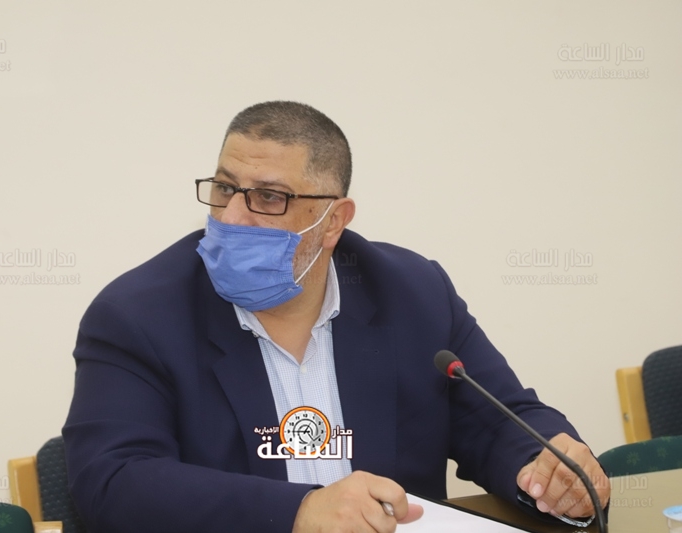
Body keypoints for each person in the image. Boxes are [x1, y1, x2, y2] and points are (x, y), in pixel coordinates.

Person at [63, 101, 610, 533]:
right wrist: (299, 511)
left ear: (332, 222)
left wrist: (549, 468)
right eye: (225, 188)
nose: (232, 217)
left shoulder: (412, 293)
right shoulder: (137, 315)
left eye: (268, 198)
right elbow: (111, 481)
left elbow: (501, 419)